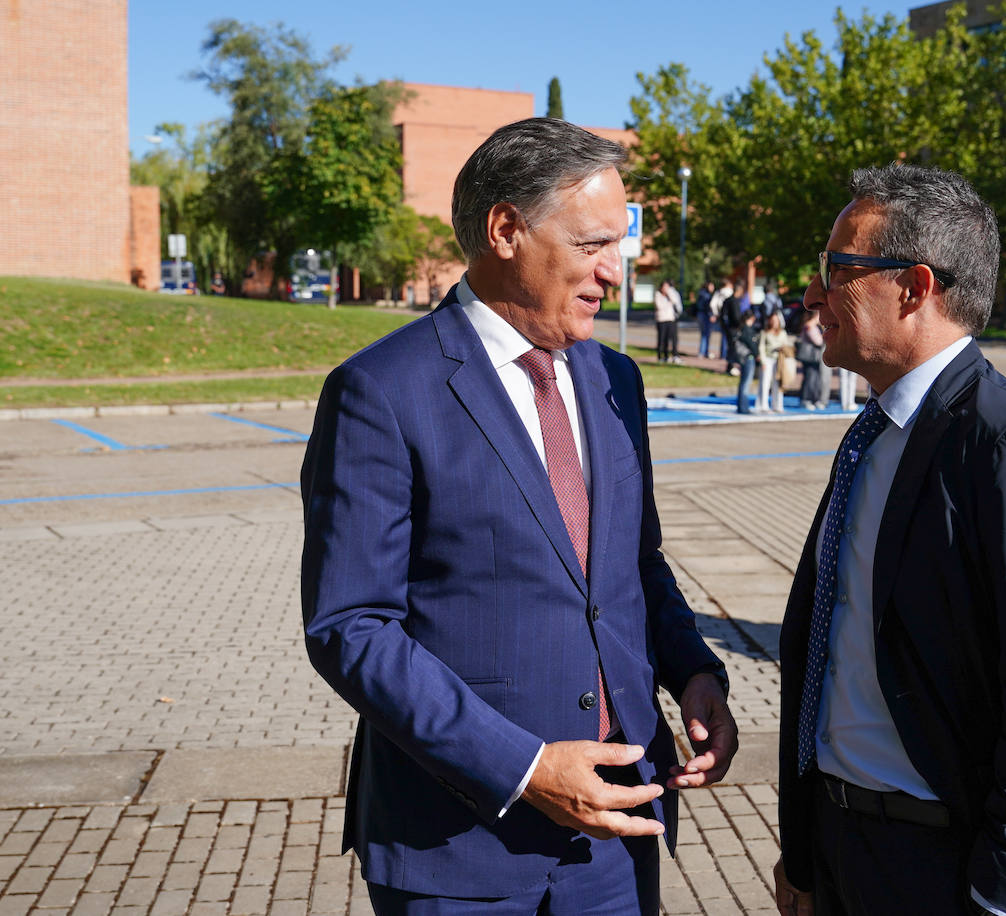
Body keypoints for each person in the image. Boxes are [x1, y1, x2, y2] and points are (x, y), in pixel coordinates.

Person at [300, 118, 737, 915]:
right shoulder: (380, 391)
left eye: (621, 245)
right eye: (593, 244)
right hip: (458, 849)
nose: (617, 270)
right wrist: (526, 767)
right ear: (506, 230)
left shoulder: (617, 381)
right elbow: (351, 626)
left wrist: (695, 672)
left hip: (617, 835)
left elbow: (635, 567)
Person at [773, 163, 1006, 916]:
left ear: (914, 288)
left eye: (836, 269)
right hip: (846, 847)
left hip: (951, 869)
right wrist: (807, 851)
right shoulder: (874, 432)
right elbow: (828, 654)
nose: (812, 296)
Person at [759, 311, 790, 413]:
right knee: (765, 382)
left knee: (778, 384)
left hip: (778, 360)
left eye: (776, 320)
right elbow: (762, 347)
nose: (774, 322)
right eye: (772, 320)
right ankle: (763, 405)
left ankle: (777, 405)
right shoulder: (765, 332)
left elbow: (786, 345)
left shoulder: (783, 333)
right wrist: (763, 361)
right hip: (768, 359)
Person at [796, 311, 828, 409]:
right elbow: (818, 341)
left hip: (814, 357)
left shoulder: (814, 327)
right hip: (809, 357)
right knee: (810, 378)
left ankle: (812, 399)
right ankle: (806, 399)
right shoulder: (809, 326)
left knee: (814, 379)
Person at [734, 309, 760, 414]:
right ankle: (743, 407)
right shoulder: (747, 330)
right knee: (746, 383)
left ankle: (742, 406)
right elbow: (752, 344)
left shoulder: (740, 329)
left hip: (742, 357)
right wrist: (757, 354)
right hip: (748, 357)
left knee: (743, 382)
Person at [654, 278, 682, 363]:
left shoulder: (670, 294)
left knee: (671, 338)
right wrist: (668, 304)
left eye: (667, 287)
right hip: (661, 319)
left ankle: (669, 356)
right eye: (664, 287)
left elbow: (675, 302)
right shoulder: (658, 295)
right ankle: (660, 356)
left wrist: (669, 294)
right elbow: (659, 306)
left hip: (670, 319)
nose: (666, 289)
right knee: (662, 339)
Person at [696, 281, 716, 357]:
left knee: (704, 334)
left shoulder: (701, 293)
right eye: (711, 286)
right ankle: (703, 352)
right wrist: (711, 315)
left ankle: (703, 352)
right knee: (706, 334)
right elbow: (707, 307)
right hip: (705, 316)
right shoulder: (706, 295)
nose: (713, 288)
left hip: (701, 315)